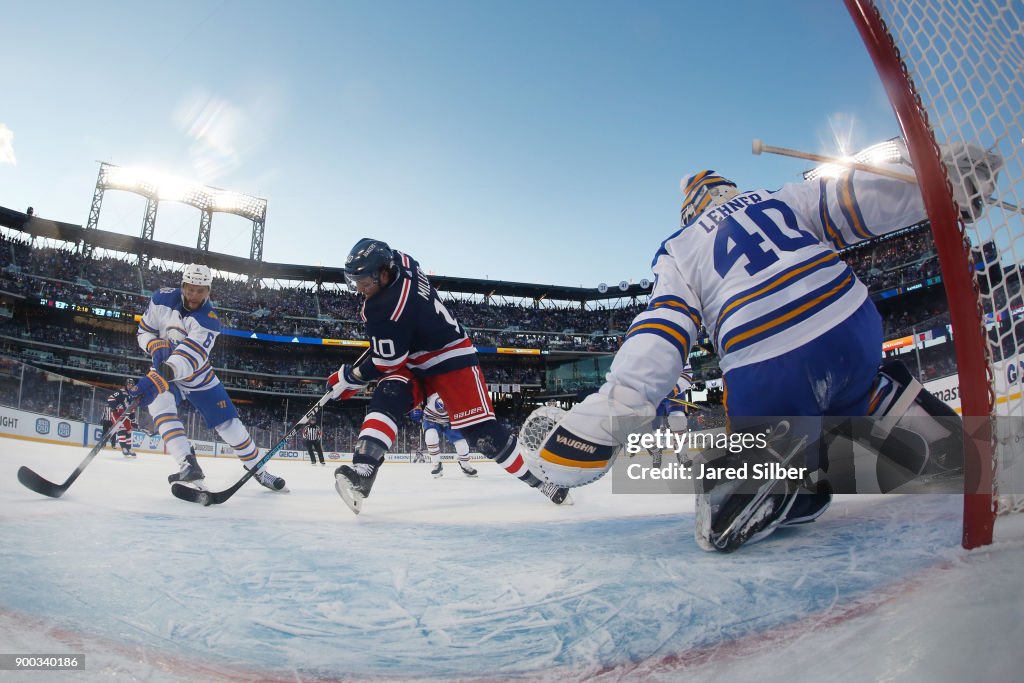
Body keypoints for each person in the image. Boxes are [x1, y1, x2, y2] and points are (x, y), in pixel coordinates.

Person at [526, 140, 999, 552]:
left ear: (691, 211)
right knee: (859, 394)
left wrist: (617, 407)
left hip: (766, 359)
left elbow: (663, 330)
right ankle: (945, 444)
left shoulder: (679, 247)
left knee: (731, 496)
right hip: (852, 323)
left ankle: (772, 476)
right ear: (731, 190)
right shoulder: (781, 197)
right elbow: (856, 198)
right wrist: (937, 185)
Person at [326, 238, 569, 514]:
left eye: (365, 281)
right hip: (416, 356)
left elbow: (387, 361)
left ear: (384, 272)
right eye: (355, 281)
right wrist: (379, 343)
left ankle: (541, 482)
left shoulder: (384, 309)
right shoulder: (404, 261)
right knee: (389, 394)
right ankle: (364, 470)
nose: (359, 288)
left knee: (483, 434)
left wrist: (349, 377)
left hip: (450, 357)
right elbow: (394, 348)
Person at [114, 264, 286, 492]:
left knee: (229, 425)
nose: (194, 295)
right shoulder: (161, 299)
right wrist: (154, 345)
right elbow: (144, 332)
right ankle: (188, 464)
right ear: (183, 286)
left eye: (201, 290)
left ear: (208, 291)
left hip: (197, 376)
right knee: (159, 405)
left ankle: (259, 470)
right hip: (166, 369)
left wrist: (159, 376)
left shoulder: (209, 320)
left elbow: (188, 360)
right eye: (190, 289)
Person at [410, 392, 478, 478]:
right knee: (431, 437)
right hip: (431, 418)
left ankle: (465, 465)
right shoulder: (428, 380)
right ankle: (436, 464)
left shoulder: (454, 383)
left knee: (462, 445)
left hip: (450, 419)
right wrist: (416, 407)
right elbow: (418, 395)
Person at [102, 378, 137, 455]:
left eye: (131, 385)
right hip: (116, 414)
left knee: (129, 431)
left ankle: (129, 448)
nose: (129, 386)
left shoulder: (133, 395)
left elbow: (132, 408)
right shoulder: (121, 391)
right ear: (126, 385)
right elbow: (110, 398)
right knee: (121, 429)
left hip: (126, 415)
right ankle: (124, 448)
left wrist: (133, 420)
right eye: (128, 384)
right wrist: (116, 407)